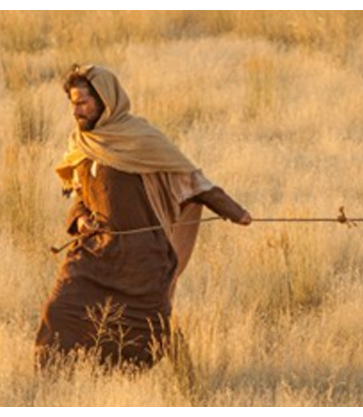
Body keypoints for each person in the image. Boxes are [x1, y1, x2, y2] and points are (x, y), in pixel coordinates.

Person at [35, 64, 252, 370]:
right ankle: (51, 385)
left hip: (142, 256)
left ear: (105, 101)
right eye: (73, 104)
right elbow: (80, 196)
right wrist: (81, 221)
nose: (76, 111)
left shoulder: (141, 139)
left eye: (82, 103)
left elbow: (192, 181)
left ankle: (146, 380)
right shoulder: (82, 144)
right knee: (60, 310)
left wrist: (235, 212)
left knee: (142, 330)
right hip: (93, 253)